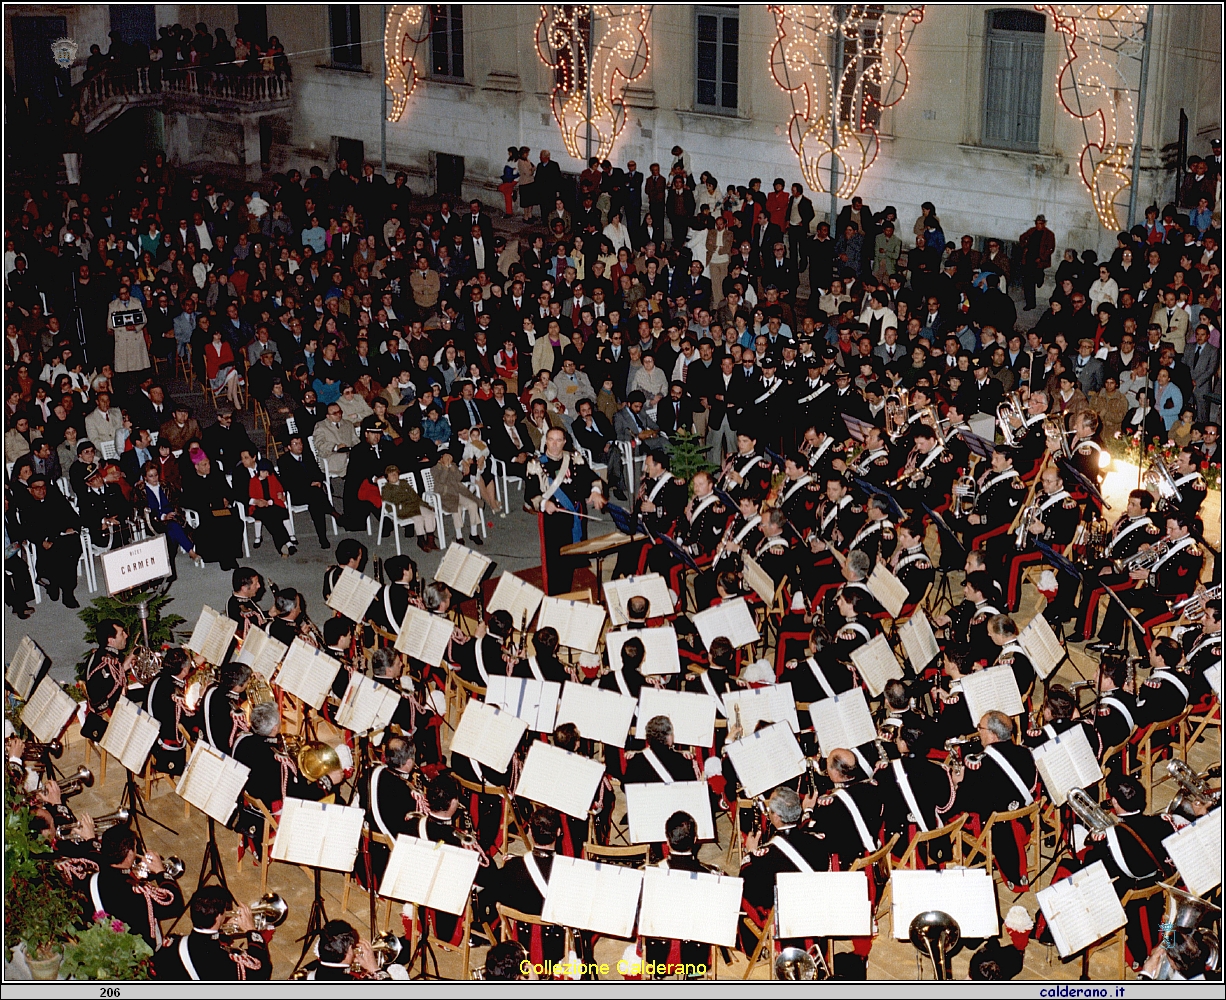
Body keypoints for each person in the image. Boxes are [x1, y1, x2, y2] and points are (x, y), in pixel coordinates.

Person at [525, 427, 607, 593]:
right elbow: (530, 495)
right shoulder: (536, 464)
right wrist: (543, 504)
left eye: (558, 440)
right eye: (551, 440)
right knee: (555, 561)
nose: (554, 445)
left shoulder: (574, 459)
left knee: (572, 555)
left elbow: (592, 478)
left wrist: (596, 492)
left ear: (564, 442)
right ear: (545, 441)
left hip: (575, 514)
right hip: (554, 519)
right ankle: (557, 597)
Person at [154, 885, 273, 981]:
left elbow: (203, 945)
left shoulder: (172, 944)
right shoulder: (223, 962)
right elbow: (261, 971)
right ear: (218, 917)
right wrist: (251, 930)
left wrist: (221, 930)